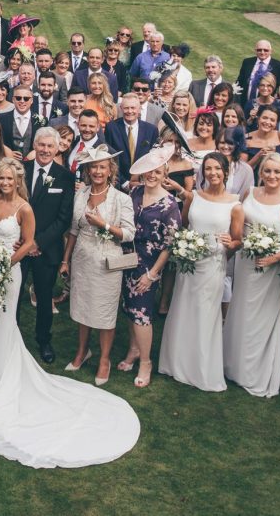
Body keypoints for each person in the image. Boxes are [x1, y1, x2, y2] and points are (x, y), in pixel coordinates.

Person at [0, 156, 141, 468]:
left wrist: (4, 263)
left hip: (8, 271)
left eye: (10, 179)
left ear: (17, 181)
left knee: (5, 320)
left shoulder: (24, 207)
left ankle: (4, 377)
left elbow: (28, 242)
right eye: (2, 179)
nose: (5, 184)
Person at [160, 152, 243, 392]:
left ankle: (202, 369)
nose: (213, 173)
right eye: (208, 168)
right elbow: (185, 225)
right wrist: (186, 245)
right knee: (183, 308)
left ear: (225, 171)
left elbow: (238, 241)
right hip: (189, 265)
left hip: (212, 267)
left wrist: (230, 244)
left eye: (217, 168)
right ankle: (176, 363)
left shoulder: (235, 205)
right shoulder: (193, 197)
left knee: (206, 315)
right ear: (202, 172)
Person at [223, 152, 280, 398]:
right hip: (245, 263)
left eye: (277, 172)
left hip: (270, 270)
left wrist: (273, 258)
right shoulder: (251, 192)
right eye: (267, 171)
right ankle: (232, 365)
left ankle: (254, 372)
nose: (271, 175)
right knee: (240, 312)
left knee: (261, 320)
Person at [59, 145, 135, 383]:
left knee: (104, 312)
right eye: (94, 167)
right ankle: (82, 351)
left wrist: (104, 224)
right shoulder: (80, 195)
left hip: (107, 262)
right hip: (82, 257)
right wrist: (65, 260)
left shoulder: (121, 199)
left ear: (110, 170)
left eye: (102, 167)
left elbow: (129, 234)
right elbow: (73, 229)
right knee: (83, 308)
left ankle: (104, 359)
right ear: (88, 170)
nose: (98, 171)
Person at [115, 145, 182, 389]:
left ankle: (145, 362)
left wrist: (153, 275)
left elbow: (170, 245)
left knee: (142, 314)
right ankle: (133, 350)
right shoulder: (134, 194)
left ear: (165, 174)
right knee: (130, 308)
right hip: (128, 258)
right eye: (148, 172)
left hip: (149, 264)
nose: (151, 176)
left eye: (157, 172)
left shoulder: (170, 205)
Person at [21, 128, 75, 363]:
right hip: (18, 246)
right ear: (34, 145)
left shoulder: (64, 176)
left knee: (44, 298)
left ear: (57, 148)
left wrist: (38, 242)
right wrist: (24, 241)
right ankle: (9, 338)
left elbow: (64, 218)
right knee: (12, 295)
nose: (44, 150)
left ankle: (44, 340)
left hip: (46, 248)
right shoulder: (21, 170)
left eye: (49, 146)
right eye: (41, 145)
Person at [105, 93, 159, 186]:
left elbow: (153, 159)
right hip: (118, 184)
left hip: (143, 184)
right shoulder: (111, 128)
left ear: (139, 109)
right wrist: (125, 183)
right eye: (126, 108)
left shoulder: (151, 130)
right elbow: (109, 159)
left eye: (133, 108)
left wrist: (142, 182)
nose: (130, 111)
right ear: (121, 108)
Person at [235, 40, 280, 106]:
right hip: (245, 103)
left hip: (266, 106)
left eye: (265, 50)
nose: (262, 52)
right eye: (259, 50)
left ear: (271, 51)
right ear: (255, 50)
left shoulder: (279, 67)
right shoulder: (247, 62)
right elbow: (240, 82)